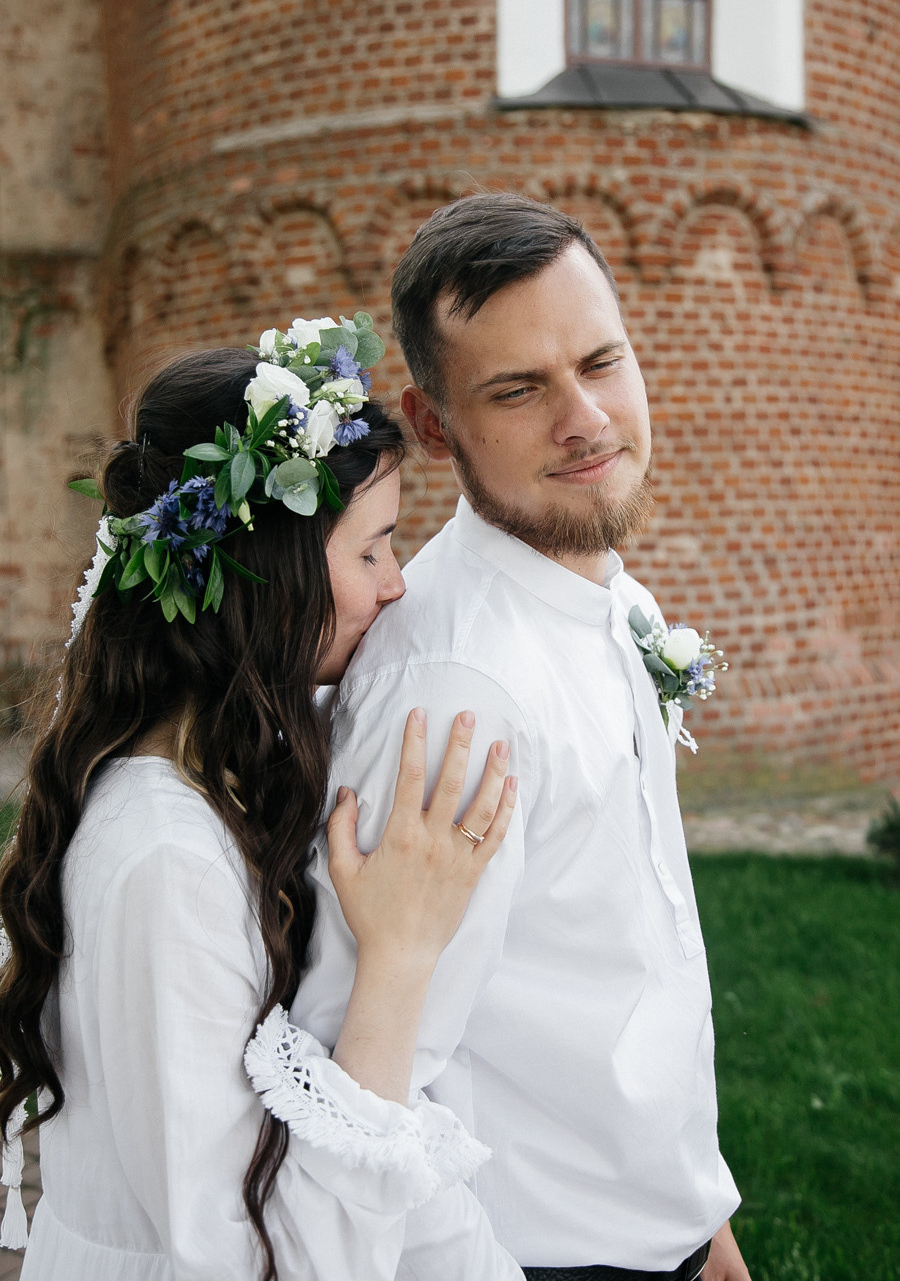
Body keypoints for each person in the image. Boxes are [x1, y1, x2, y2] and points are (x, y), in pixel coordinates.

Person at [291, 196, 753, 1281]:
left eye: (601, 361)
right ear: (437, 423)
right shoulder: (460, 695)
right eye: (519, 389)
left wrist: (699, 1217)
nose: (586, 418)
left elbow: (631, 956)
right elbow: (371, 1073)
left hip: (657, 1226)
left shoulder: (595, 588)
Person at [0, 324, 517, 1281]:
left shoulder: (215, 784)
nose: (398, 585)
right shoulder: (170, 864)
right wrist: (399, 962)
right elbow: (246, 1265)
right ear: (265, 578)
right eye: (371, 551)